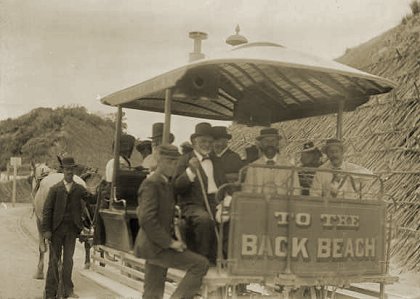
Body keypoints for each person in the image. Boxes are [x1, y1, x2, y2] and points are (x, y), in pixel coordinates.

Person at [133, 145, 209, 299]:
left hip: (155, 246)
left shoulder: (165, 183)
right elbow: (147, 219)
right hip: (156, 247)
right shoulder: (152, 183)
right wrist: (170, 243)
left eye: (175, 162)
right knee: (200, 264)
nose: (173, 166)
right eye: (169, 162)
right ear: (159, 161)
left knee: (152, 294)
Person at [174, 122, 226, 264]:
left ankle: (225, 258)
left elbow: (224, 184)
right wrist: (190, 171)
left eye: (210, 141)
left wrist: (224, 202)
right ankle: (202, 260)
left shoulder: (217, 160)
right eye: (203, 141)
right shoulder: (184, 160)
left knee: (233, 218)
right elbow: (177, 187)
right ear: (194, 142)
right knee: (204, 220)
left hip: (215, 202)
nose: (207, 144)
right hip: (192, 204)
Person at [42, 157, 94, 299]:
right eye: (67, 169)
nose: (69, 171)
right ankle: (50, 292)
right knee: (54, 260)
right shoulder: (55, 189)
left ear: (74, 170)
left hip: (71, 231)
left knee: (68, 260)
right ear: (63, 170)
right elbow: (47, 211)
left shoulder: (79, 189)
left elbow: (91, 198)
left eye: (71, 169)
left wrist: (101, 190)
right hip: (56, 231)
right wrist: (46, 230)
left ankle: (67, 290)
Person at [243, 128, 300, 196]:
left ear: (278, 143)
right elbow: (247, 192)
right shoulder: (253, 167)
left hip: (281, 204)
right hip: (259, 204)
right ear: (261, 144)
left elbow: (296, 191)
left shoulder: (289, 167)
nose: (270, 144)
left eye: (273, 141)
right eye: (266, 141)